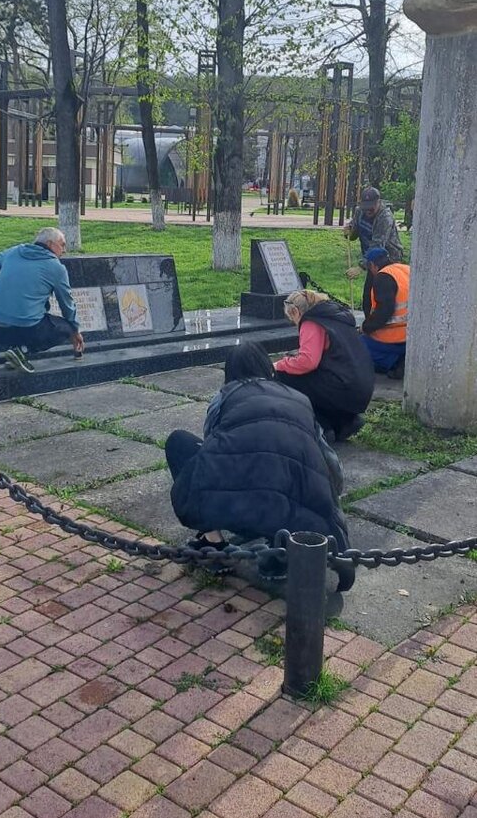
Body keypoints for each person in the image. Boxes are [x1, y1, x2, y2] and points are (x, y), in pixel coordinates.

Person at [165, 343, 352, 582]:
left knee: (179, 442)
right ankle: (279, 548)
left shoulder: (224, 397)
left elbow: (212, 455)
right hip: (292, 513)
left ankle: (214, 543)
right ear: (267, 367)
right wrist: (330, 499)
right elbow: (328, 459)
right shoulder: (299, 399)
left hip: (236, 510)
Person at [274, 289, 374, 443]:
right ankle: (345, 421)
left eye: (292, 319)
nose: (294, 324)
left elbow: (308, 362)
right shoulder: (336, 318)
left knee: (284, 375)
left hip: (342, 386)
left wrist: (279, 364)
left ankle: (321, 425)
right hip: (360, 386)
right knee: (311, 379)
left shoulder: (311, 322)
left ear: (296, 312)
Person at [0, 227, 85, 373]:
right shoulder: (56, 267)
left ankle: (15, 351)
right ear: (50, 244)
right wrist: (75, 330)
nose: (64, 250)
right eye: (62, 245)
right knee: (66, 327)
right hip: (25, 328)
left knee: (31, 314)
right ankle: (23, 350)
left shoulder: (15, 251)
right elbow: (66, 304)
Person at [344, 186, 403, 314]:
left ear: (379, 202)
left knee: (381, 296)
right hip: (372, 260)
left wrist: (361, 267)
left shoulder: (385, 217)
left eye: (371, 206)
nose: (368, 210)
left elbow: (377, 245)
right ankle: (368, 322)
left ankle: (382, 323)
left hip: (388, 260)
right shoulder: (359, 212)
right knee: (368, 297)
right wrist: (349, 231)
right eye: (365, 206)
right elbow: (354, 232)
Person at [359, 247, 409, 379]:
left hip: (393, 338)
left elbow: (385, 311)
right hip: (413, 337)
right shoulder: (406, 269)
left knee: (356, 346)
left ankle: (395, 362)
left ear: (372, 265)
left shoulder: (383, 276)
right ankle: (402, 359)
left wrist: (366, 327)